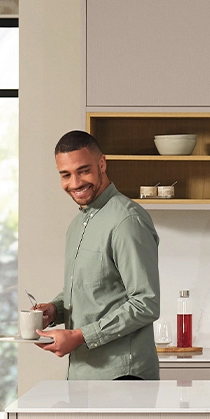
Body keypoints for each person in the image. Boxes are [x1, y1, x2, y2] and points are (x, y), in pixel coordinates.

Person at [33, 130, 161, 380]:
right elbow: (91, 290)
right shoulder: (77, 224)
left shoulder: (126, 220)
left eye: (83, 170)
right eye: (65, 175)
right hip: (84, 376)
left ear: (102, 163)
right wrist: (55, 310)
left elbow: (145, 303)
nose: (75, 183)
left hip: (122, 377)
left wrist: (80, 336)